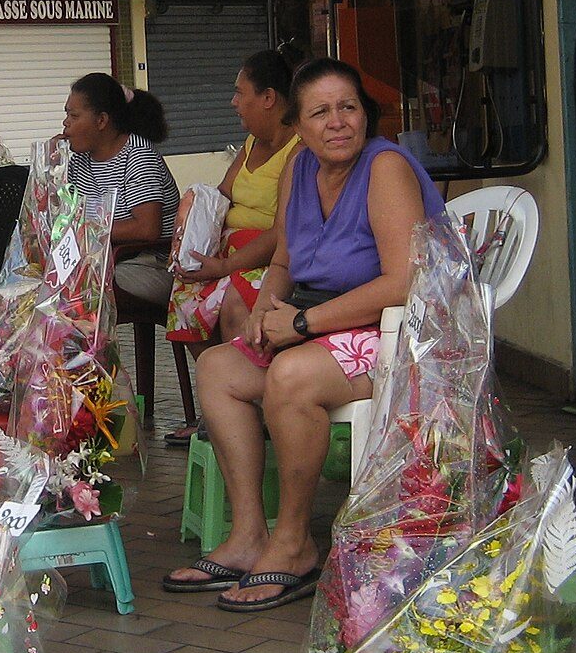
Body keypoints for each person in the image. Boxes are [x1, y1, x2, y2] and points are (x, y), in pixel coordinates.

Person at [163, 58, 444, 612]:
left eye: (348, 107)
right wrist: (262, 314)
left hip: (394, 334)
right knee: (219, 367)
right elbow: (286, 263)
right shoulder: (302, 171)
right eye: (320, 112)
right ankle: (248, 536)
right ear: (300, 126)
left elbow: (404, 281)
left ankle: (292, 544)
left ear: (366, 115)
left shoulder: (384, 167)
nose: (337, 122)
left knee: (290, 377)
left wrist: (301, 324)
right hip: (317, 324)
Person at [164, 49, 302, 444]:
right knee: (186, 293)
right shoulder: (250, 143)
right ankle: (218, 402)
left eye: (241, 93)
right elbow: (222, 196)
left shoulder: (299, 152)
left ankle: (246, 406)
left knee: (230, 299)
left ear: (269, 98)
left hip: (265, 259)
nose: (234, 102)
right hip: (230, 253)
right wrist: (191, 213)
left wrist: (227, 267)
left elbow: (283, 232)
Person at [61, 73, 179, 307]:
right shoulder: (77, 161)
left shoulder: (138, 155)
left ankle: (83, 343)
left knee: (76, 289)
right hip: (104, 258)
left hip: (151, 263)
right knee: (40, 280)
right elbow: (63, 218)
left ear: (101, 121)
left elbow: (147, 229)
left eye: (74, 116)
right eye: (66, 114)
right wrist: (53, 166)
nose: (66, 123)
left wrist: (87, 232)